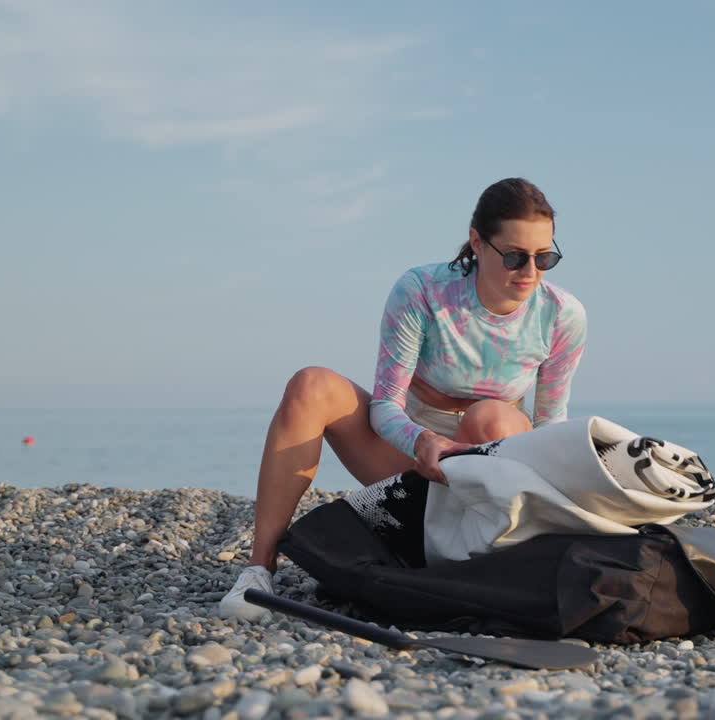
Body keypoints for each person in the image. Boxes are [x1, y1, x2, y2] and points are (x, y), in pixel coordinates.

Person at [220, 178, 588, 620]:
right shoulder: (422, 290)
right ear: (478, 241)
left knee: (492, 416)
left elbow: (550, 426)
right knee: (310, 385)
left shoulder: (562, 315)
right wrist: (421, 441)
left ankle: (478, 566)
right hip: (409, 460)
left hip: (489, 467)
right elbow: (385, 405)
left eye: (545, 257)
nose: (530, 272)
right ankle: (259, 568)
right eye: (515, 256)